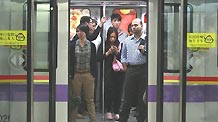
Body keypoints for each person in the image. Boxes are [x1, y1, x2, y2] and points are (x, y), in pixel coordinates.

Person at [119, 18, 147, 122]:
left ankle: (140, 118)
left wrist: (145, 50)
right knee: (127, 95)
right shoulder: (127, 40)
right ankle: (123, 118)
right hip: (131, 69)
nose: (133, 27)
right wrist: (125, 67)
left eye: (136, 25)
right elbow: (123, 56)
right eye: (132, 26)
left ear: (141, 26)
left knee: (141, 97)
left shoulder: (147, 40)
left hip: (143, 69)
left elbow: (152, 56)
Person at [69, 23, 97, 122]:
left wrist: (93, 75)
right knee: (76, 98)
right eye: (78, 31)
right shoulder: (72, 45)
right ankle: (72, 119)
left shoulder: (91, 45)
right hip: (76, 74)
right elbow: (71, 60)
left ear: (85, 32)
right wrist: (71, 74)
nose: (79, 33)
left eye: (81, 31)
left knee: (90, 99)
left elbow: (94, 60)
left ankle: (93, 119)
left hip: (88, 73)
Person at [97, 27, 125, 121]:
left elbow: (124, 58)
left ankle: (117, 111)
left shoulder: (120, 44)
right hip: (108, 71)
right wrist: (108, 53)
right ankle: (108, 110)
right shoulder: (104, 45)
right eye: (111, 37)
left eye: (114, 37)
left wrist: (117, 52)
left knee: (118, 91)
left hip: (119, 72)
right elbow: (98, 58)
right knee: (108, 91)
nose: (112, 39)